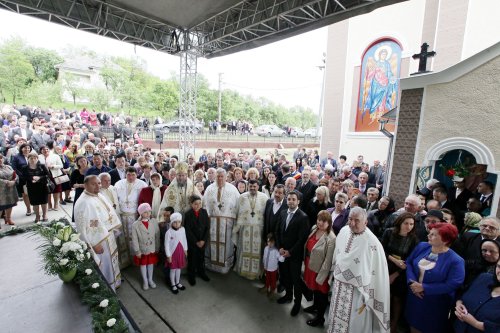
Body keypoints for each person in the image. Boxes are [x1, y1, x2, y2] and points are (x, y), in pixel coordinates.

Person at [327, 207, 390, 333]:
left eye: (357, 220)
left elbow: (377, 272)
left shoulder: (373, 243)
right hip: (339, 285)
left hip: (358, 291)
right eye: (350, 219)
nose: (352, 223)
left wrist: (368, 293)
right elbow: (337, 255)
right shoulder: (344, 231)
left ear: (365, 222)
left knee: (354, 321)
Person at [405, 223, 465, 333]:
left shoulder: (456, 261)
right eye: (430, 233)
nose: (428, 235)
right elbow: (409, 262)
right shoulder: (422, 246)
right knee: (412, 324)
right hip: (414, 296)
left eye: (433, 235)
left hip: (435, 304)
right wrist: (411, 283)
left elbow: (453, 284)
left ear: (445, 240)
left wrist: (424, 288)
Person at [74, 175, 122, 290]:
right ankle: (107, 289)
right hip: (100, 240)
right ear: (85, 185)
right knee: (105, 265)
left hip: (107, 235)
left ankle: (114, 283)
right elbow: (88, 225)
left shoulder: (98, 195)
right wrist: (95, 244)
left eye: (99, 183)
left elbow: (108, 211)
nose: (97, 186)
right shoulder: (84, 202)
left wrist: (113, 227)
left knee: (111, 263)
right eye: (93, 184)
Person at [380, 212, 419, 333]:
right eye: (406, 223)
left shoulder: (413, 239)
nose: (409, 226)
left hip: (401, 272)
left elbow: (410, 260)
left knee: (397, 299)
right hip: (385, 266)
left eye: (411, 224)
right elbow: (381, 251)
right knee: (385, 296)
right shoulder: (389, 232)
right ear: (400, 222)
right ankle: (380, 321)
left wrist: (395, 274)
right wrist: (394, 260)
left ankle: (394, 324)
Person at [275, 190, 310, 317]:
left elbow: (302, 239)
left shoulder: (303, 217)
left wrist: (290, 252)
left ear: (298, 201)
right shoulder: (283, 212)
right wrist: (279, 248)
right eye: (289, 199)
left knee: (296, 280)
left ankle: (297, 303)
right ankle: (288, 296)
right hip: (282, 252)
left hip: (294, 255)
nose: (290, 201)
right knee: (285, 276)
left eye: (293, 199)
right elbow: (278, 231)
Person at [203, 168, 240, 274]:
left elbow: (238, 206)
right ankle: (211, 265)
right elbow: (204, 205)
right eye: (218, 176)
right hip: (212, 223)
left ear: (225, 177)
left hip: (227, 223)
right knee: (211, 243)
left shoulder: (232, 189)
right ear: (215, 177)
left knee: (227, 244)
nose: (219, 178)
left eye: (222, 176)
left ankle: (225, 267)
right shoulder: (209, 189)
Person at [303, 210, 336, 327]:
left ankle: (320, 318)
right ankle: (314, 307)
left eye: (324, 221)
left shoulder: (331, 238)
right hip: (310, 265)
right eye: (319, 219)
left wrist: (321, 276)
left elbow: (328, 261)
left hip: (321, 271)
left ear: (329, 223)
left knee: (321, 294)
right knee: (314, 291)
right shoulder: (314, 229)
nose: (320, 223)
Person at [232, 179, 268, 280]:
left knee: (257, 250)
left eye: (254, 186)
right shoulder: (242, 197)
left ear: (258, 187)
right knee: (244, 248)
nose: (252, 188)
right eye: (250, 187)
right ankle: (242, 270)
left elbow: (267, 213)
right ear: (248, 187)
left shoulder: (264, 197)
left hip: (258, 228)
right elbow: (237, 212)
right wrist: (237, 227)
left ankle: (257, 272)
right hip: (245, 228)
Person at [454, 258, 500, 333]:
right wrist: (458, 304)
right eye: (499, 266)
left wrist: (476, 323)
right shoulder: (484, 277)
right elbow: (461, 293)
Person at [115, 167, 148, 268]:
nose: (131, 177)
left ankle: (136, 260)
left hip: (135, 216)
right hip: (122, 216)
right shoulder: (119, 184)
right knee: (123, 238)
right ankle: (125, 260)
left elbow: (145, 201)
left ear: (137, 174)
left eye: (133, 175)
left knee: (135, 237)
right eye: (129, 174)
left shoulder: (142, 184)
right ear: (125, 174)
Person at [132, 203, 160, 291]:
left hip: (152, 248)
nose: (148, 214)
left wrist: (157, 247)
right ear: (140, 213)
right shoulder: (136, 225)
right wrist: (137, 251)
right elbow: (134, 239)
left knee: (150, 264)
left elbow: (157, 235)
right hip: (142, 249)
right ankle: (145, 281)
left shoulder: (154, 221)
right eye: (145, 212)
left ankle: (150, 279)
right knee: (143, 265)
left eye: (149, 211)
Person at [184, 195, 210, 286]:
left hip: (202, 241)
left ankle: (201, 272)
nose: (198, 205)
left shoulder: (204, 212)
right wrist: (196, 241)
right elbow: (188, 230)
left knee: (201, 258)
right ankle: (191, 276)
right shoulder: (188, 214)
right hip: (193, 243)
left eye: (199, 203)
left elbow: (207, 227)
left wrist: (203, 240)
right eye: (195, 204)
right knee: (192, 259)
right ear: (191, 204)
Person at [20, 151, 50, 222]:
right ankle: (37, 216)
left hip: (42, 186)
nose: (33, 160)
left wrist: (39, 178)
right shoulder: (24, 168)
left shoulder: (42, 166)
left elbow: (48, 175)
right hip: (32, 187)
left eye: (34, 158)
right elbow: (23, 177)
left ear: (37, 158)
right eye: (31, 158)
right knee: (35, 202)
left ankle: (44, 215)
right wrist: (31, 178)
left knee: (44, 201)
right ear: (28, 159)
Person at [165, 212, 188, 294]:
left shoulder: (183, 229)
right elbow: (166, 245)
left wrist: (185, 249)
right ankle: (173, 284)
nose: (177, 224)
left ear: (181, 222)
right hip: (173, 254)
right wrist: (168, 255)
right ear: (171, 222)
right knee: (173, 269)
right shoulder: (169, 232)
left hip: (180, 252)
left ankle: (177, 282)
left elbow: (184, 240)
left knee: (179, 268)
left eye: (179, 222)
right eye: (175, 222)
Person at [260, 233, 283, 298]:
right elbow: (264, 257)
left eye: (271, 242)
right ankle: (266, 287)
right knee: (267, 278)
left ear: (274, 242)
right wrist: (264, 265)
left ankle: (273, 289)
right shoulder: (266, 248)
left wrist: (282, 255)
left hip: (273, 269)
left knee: (273, 280)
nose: (269, 244)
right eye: (268, 242)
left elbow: (280, 259)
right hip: (266, 268)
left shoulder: (276, 250)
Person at [0, 154, 18, 227]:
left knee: (10, 204)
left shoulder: (8, 167)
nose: (0, 160)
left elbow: (15, 175)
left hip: (11, 189)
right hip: (1, 191)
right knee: (1, 206)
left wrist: (14, 181)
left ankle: (8, 218)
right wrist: (7, 182)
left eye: (1, 158)